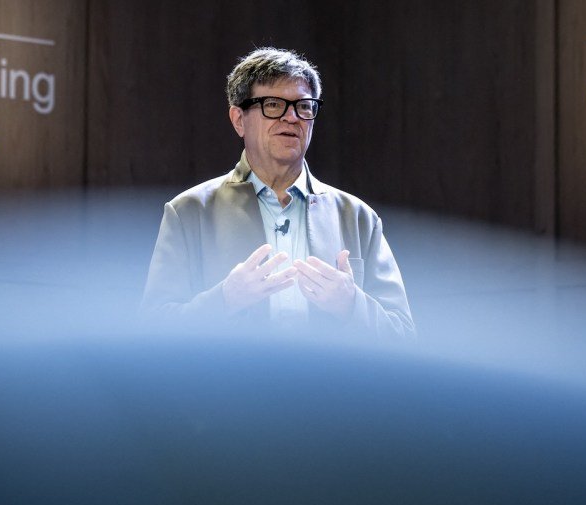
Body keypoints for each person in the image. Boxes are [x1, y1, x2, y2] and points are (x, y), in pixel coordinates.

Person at [141, 48, 414, 339]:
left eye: (304, 106)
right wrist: (224, 300)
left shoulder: (357, 217)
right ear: (238, 119)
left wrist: (352, 304)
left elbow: (404, 335)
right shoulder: (188, 212)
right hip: (231, 384)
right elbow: (153, 329)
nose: (292, 117)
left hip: (330, 384)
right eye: (273, 104)